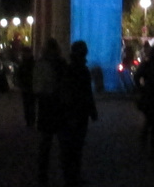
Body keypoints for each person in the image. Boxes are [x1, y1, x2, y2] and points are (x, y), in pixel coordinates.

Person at [59, 39, 99, 186]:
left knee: (70, 147)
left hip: (71, 112)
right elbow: (86, 93)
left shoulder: (70, 69)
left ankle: (70, 176)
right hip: (77, 112)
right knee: (76, 146)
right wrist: (92, 110)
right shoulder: (81, 70)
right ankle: (73, 176)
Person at [33, 38, 67, 184]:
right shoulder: (61, 64)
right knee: (61, 143)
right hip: (57, 105)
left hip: (47, 105)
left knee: (46, 144)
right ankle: (66, 174)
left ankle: (43, 175)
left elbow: (37, 86)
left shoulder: (41, 64)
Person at [16, 43, 38, 128]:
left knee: (31, 104)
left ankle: (31, 120)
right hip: (26, 86)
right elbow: (19, 74)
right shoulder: (24, 63)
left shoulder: (31, 63)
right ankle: (28, 120)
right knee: (27, 104)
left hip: (31, 86)